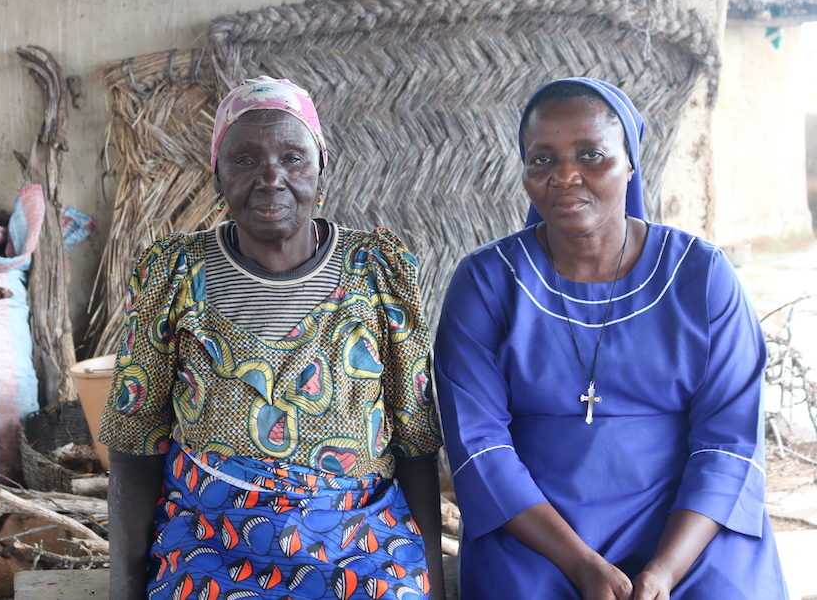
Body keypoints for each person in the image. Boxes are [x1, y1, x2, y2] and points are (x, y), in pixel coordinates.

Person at [434, 77, 788, 599]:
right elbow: (479, 445)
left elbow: (729, 441)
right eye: (541, 159)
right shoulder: (488, 282)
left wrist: (665, 571)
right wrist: (579, 565)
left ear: (631, 163)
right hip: (537, 528)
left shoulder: (702, 277)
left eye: (591, 154)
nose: (565, 175)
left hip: (687, 524)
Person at [100, 76, 445, 600]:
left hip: (362, 548)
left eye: (292, 157)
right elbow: (134, 446)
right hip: (208, 547)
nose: (270, 178)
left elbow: (415, 444)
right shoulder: (172, 273)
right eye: (244, 160)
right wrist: (127, 589)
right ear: (216, 175)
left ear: (321, 167)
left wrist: (432, 587)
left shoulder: (378, 271)